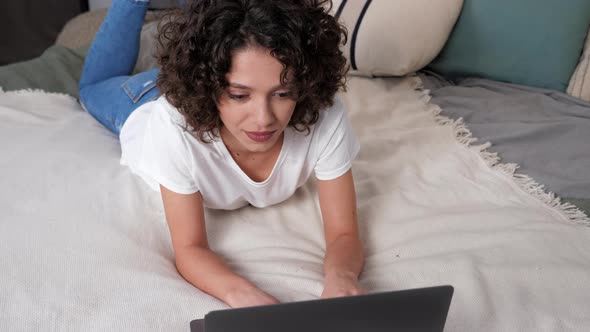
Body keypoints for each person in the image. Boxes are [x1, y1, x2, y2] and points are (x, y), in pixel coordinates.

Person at [79, 0, 364, 308]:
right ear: (214, 88)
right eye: (240, 95)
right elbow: (190, 249)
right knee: (92, 88)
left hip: (205, 70)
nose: (264, 119)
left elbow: (344, 234)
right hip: (148, 100)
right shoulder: (170, 125)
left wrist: (342, 280)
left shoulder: (325, 114)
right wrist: (251, 301)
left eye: (283, 93)